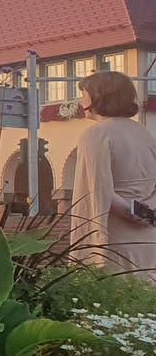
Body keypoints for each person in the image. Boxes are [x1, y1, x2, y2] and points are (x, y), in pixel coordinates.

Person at [66, 69, 156, 277]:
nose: (81, 101)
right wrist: (148, 214)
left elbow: (98, 189)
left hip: (115, 237)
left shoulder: (96, 134)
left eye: (84, 94)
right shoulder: (144, 132)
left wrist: (134, 214)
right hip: (149, 238)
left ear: (98, 96)